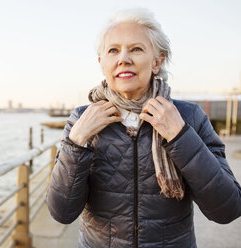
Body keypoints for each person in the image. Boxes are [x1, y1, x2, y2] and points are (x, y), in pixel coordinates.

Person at [46, 8, 241, 248]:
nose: (123, 59)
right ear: (102, 62)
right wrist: (76, 142)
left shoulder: (189, 117)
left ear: (157, 61)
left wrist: (180, 136)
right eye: (113, 50)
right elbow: (61, 212)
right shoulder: (82, 119)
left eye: (136, 49)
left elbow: (227, 209)